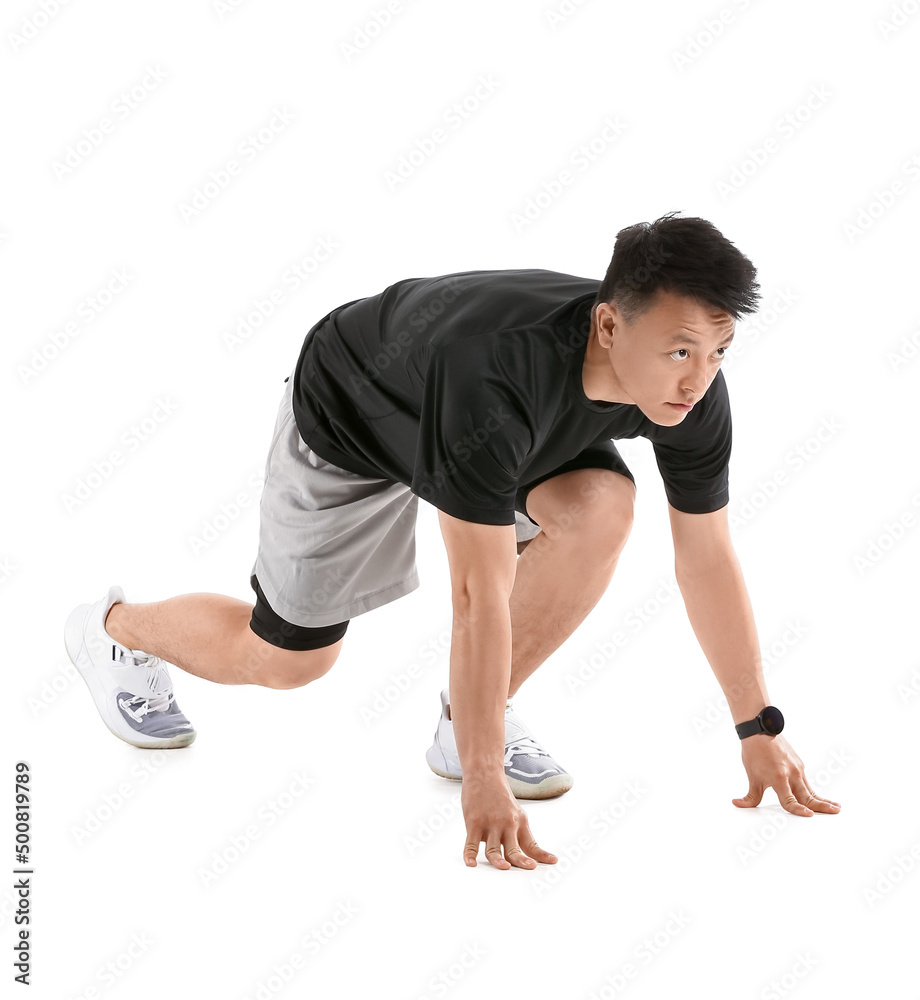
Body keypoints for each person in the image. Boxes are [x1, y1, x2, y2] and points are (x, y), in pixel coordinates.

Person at [63, 211, 841, 872]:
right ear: (609, 323)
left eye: (719, 352)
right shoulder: (493, 378)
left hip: (503, 423)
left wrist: (758, 727)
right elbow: (477, 592)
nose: (699, 378)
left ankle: (468, 720)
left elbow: (706, 557)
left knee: (602, 505)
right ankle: (113, 632)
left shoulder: (691, 392)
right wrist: (483, 778)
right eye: (680, 351)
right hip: (359, 411)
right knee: (289, 659)